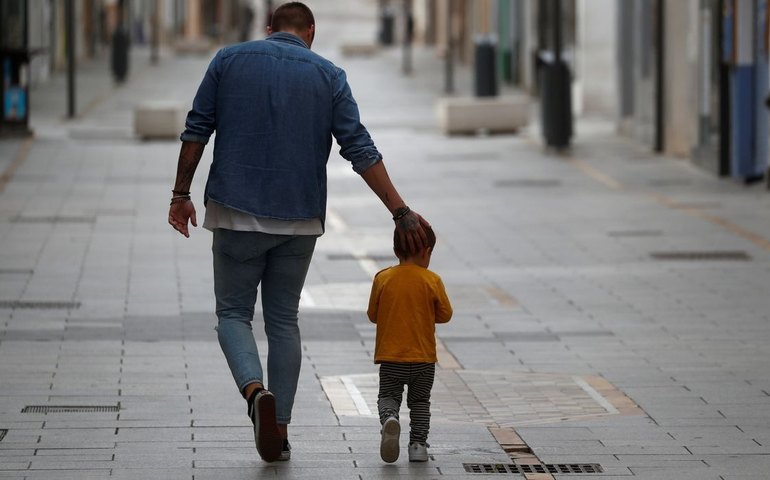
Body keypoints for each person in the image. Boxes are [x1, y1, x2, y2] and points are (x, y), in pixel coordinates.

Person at [167, 1, 430, 463]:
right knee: (284, 321)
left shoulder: (227, 60)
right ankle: (281, 431)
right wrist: (400, 211)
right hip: (300, 218)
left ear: (269, 27)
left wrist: (180, 194)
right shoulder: (329, 75)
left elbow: (196, 130)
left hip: (234, 212)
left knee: (233, 314)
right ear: (311, 31)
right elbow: (359, 148)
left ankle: (255, 395)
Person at [367, 226, 452, 463]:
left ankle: (390, 418)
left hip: (391, 358)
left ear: (396, 250)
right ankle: (418, 446)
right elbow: (445, 314)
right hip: (424, 359)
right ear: (426, 252)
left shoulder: (383, 278)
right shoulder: (432, 280)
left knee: (388, 395)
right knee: (420, 402)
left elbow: (373, 314)